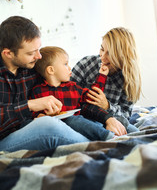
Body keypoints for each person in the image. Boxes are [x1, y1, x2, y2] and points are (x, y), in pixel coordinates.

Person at [0, 16, 93, 152]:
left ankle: (111, 139)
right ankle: (98, 149)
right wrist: (31, 105)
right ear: (8, 53)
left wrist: (106, 115)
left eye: (39, 49)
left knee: (73, 120)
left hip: (28, 126)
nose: (39, 56)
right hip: (4, 139)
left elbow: (65, 86)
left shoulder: (32, 68)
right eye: (31, 53)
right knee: (48, 126)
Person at [31, 46, 117, 141]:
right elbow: (34, 112)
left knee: (84, 121)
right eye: (65, 64)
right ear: (51, 70)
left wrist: (102, 75)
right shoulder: (37, 91)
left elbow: (93, 96)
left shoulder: (73, 88)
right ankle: (107, 137)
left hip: (81, 126)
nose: (69, 68)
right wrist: (40, 116)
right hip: (58, 130)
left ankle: (111, 134)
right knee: (72, 120)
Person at [71, 27, 142, 135]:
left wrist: (107, 106)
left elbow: (125, 116)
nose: (103, 57)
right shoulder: (86, 64)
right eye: (102, 49)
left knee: (135, 132)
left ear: (122, 56)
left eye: (110, 53)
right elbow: (66, 94)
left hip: (114, 120)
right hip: (84, 117)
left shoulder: (129, 79)